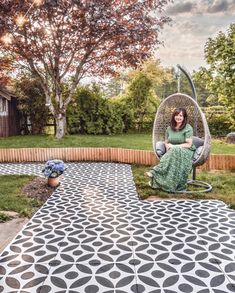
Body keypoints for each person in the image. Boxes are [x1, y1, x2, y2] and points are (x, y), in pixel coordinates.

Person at [145, 107, 196, 192]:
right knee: (174, 151)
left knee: (175, 150)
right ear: (173, 116)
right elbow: (166, 142)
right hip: (173, 151)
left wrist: (174, 147)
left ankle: (154, 171)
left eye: (181, 115)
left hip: (186, 150)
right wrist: (168, 145)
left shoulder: (188, 128)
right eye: (176, 115)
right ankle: (161, 180)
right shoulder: (169, 128)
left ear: (184, 117)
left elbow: (189, 144)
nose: (178, 117)